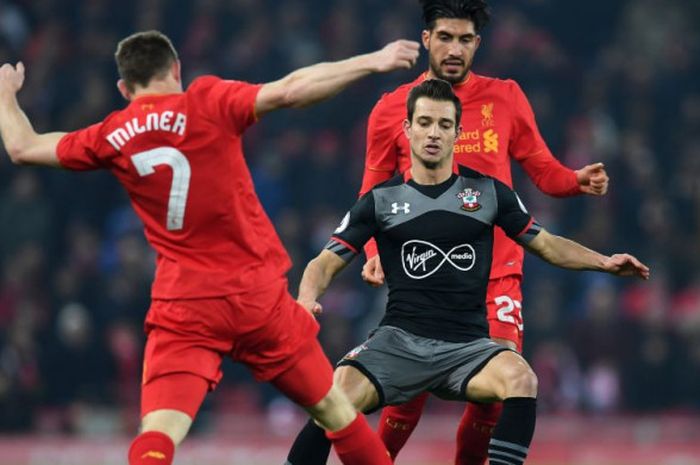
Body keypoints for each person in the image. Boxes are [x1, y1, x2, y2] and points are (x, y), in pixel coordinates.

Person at [0, 30, 422, 465]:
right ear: (177, 70)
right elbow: (293, 90)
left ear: (125, 89)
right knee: (336, 412)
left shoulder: (113, 133)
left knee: (159, 434)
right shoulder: (205, 100)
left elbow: (22, 146)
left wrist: (5, 95)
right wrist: (371, 60)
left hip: (186, 306)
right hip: (256, 296)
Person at [288, 79, 648, 465]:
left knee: (521, 379)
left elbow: (546, 243)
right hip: (398, 343)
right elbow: (324, 262)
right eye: (424, 122)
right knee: (333, 399)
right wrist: (306, 299)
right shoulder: (381, 201)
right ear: (407, 129)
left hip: (468, 347)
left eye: (444, 125)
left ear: (458, 133)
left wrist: (604, 262)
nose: (433, 133)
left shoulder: (489, 194)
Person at [360, 1, 608, 463]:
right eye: (446, 37)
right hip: (420, 276)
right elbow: (371, 195)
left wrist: (575, 181)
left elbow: (543, 170)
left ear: (478, 43)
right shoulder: (392, 109)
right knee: (406, 394)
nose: (455, 49)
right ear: (427, 38)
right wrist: (374, 251)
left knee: (494, 395)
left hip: (496, 275)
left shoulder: (506, 97)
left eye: (465, 39)